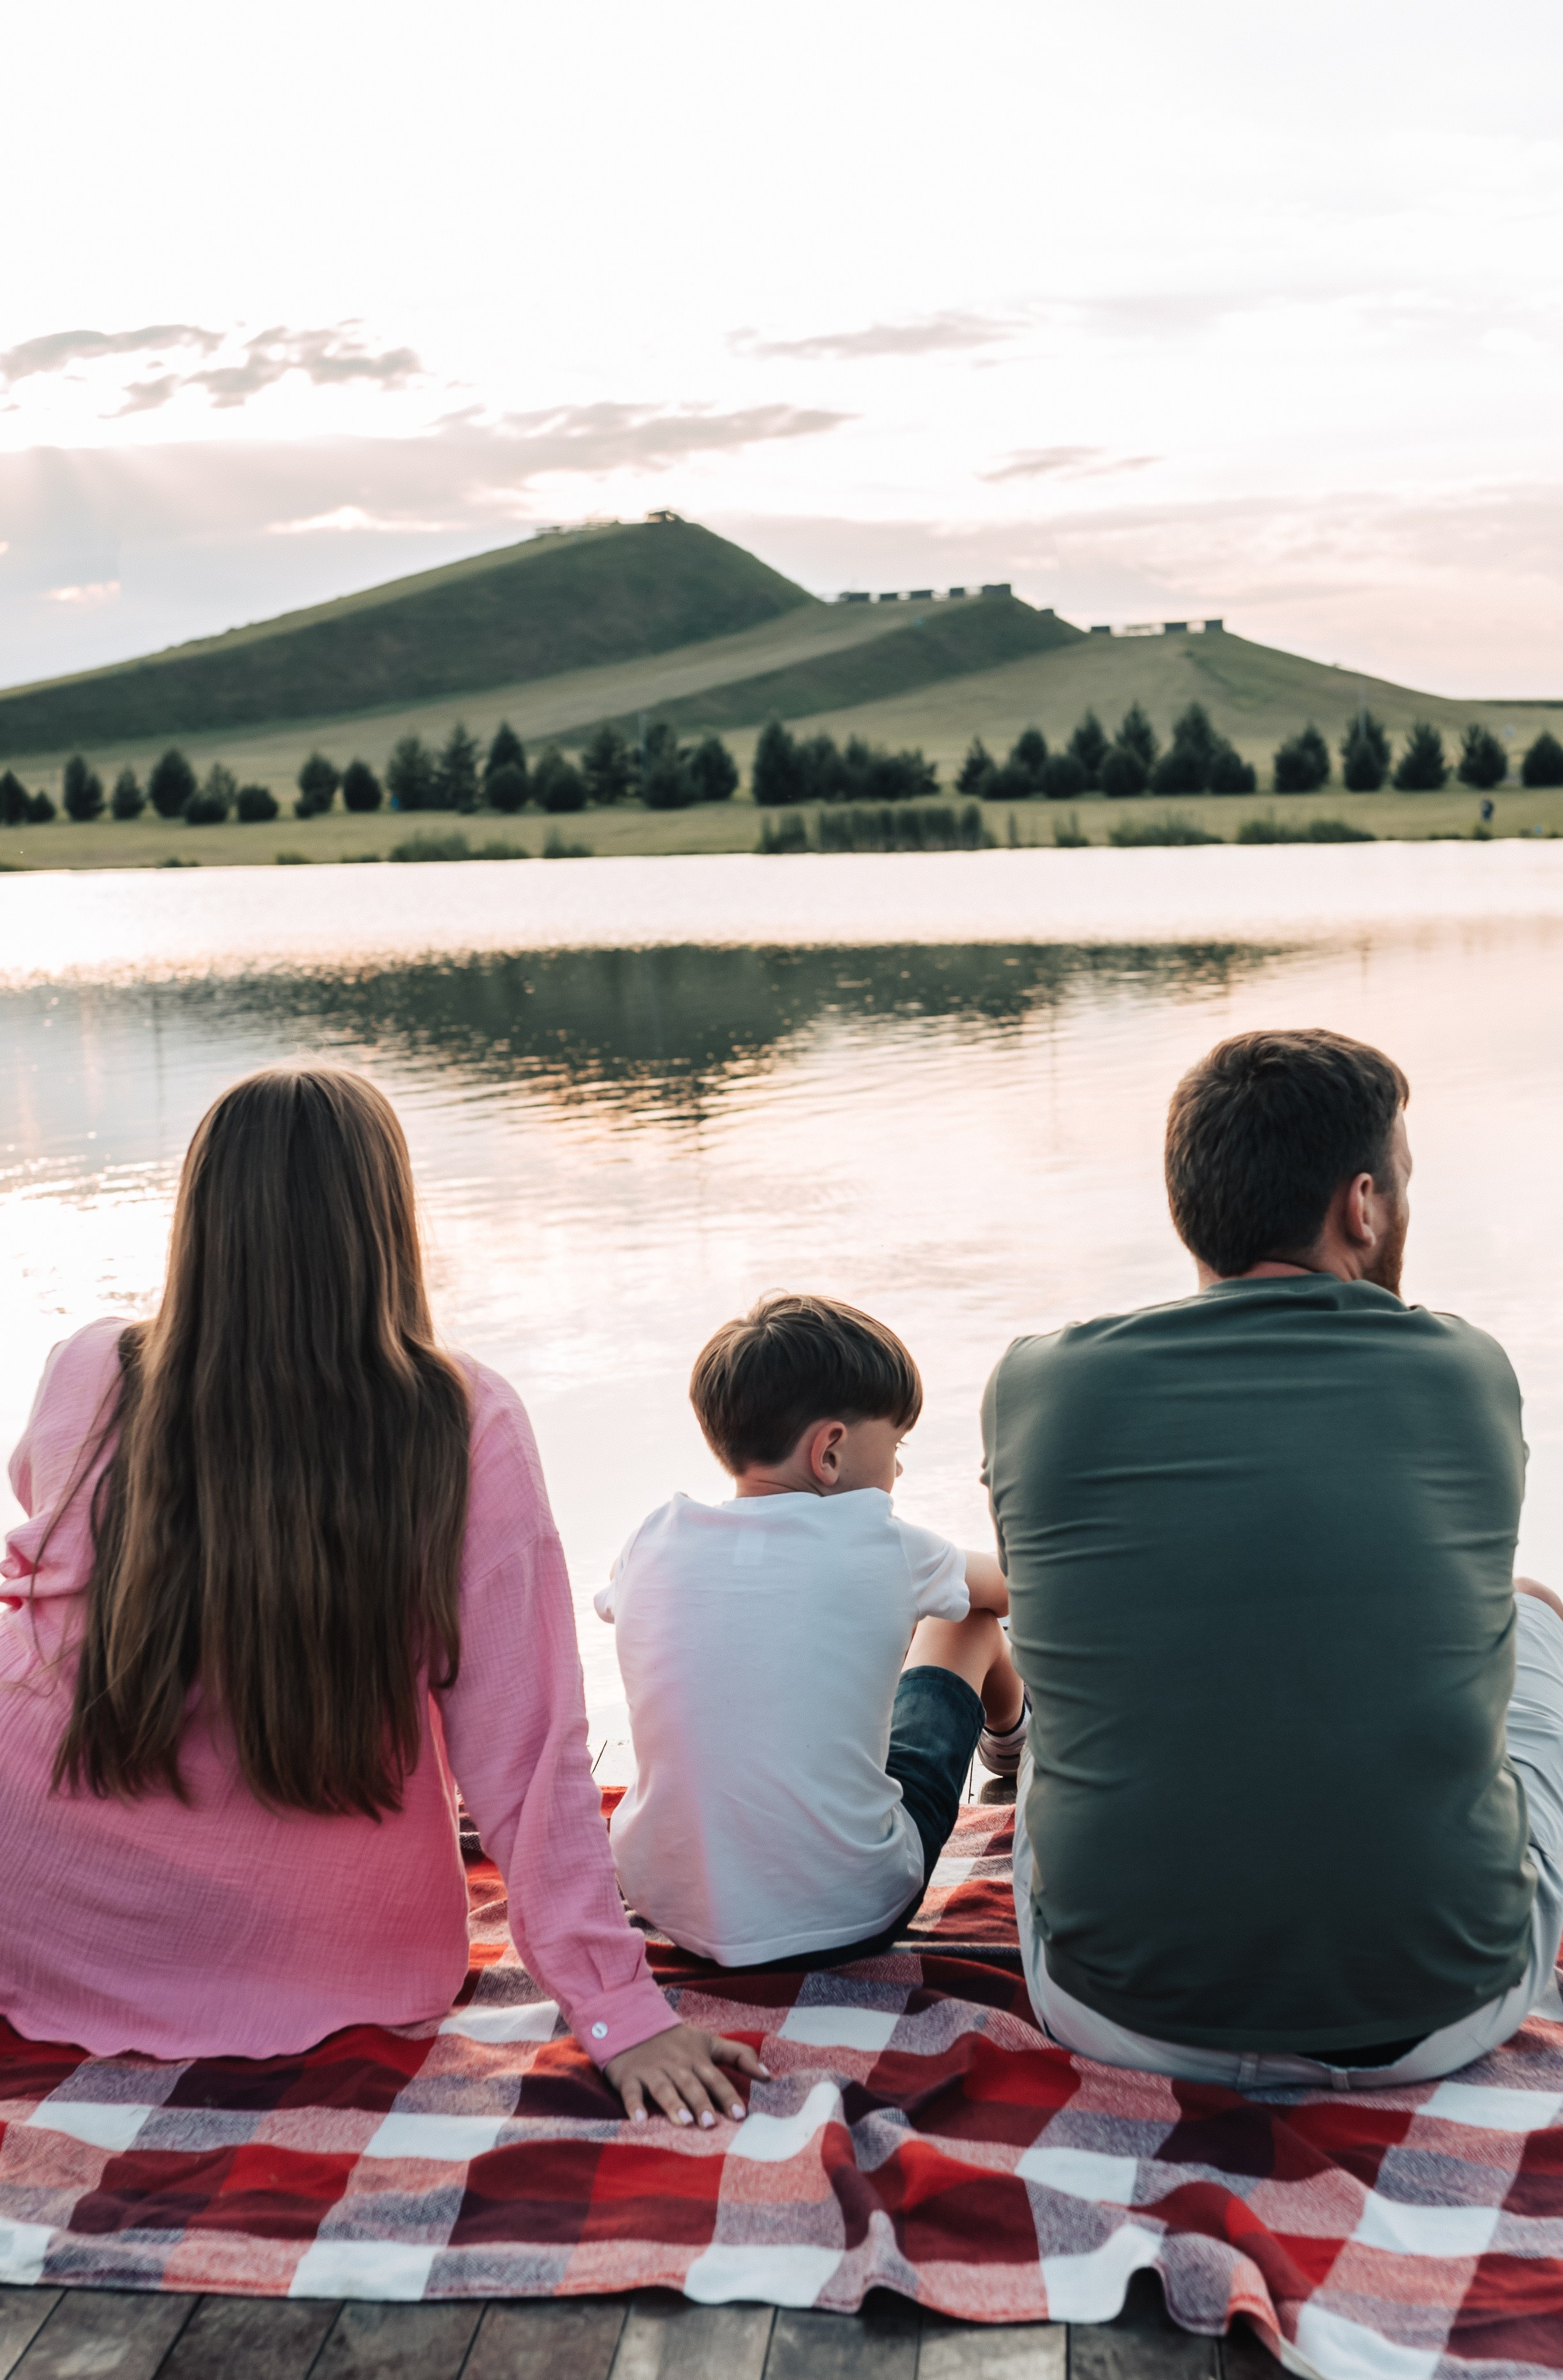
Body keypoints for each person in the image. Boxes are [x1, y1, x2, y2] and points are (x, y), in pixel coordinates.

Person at [0, 1065, 762, 2128]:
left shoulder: (87, 1364)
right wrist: (617, 2008)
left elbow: (43, 1534)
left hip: (40, 1907)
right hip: (324, 1949)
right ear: (384, 1219)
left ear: (201, 1217)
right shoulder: (462, 1420)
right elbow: (529, 1752)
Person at [985, 1026, 1563, 2086]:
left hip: (1117, 2009)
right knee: (1530, 1611)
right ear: (1361, 1204)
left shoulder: (1035, 1384)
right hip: (1446, 2007)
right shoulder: (1466, 1373)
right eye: (1403, 1180)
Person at [596, 1292, 1027, 1966]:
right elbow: (1012, 1586)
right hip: (850, 1910)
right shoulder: (883, 1542)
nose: (900, 1468)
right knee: (966, 1619)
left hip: (668, 1903)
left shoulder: (653, 1538)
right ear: (829, 1451)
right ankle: (1011, 1744)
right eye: (896, 1446)